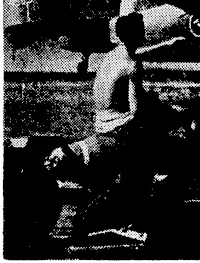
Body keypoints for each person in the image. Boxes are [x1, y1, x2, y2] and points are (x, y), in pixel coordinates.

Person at [44, 13, 185, 235]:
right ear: (142, 35)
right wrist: (167, 112)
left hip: (101, 126)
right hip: (119, 132)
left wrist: (166, 45)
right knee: (150, 157)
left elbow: (130, 52)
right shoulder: (132, 66)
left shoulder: (108, 58)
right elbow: (136, 112)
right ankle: (135, 221)